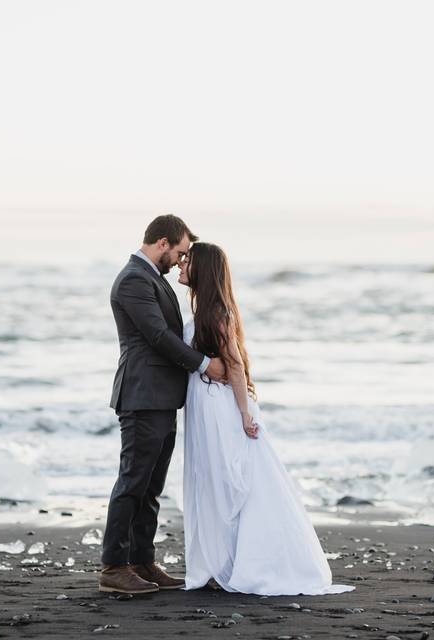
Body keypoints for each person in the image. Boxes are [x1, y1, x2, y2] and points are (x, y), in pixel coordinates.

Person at [177, 242, 353, 595]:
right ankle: (218, 561)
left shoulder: (217, 314)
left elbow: (236, 365)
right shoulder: (206, 312)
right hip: (203, 404)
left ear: (203, 270)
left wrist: (244, 414)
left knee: (226, 480)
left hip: (219, 408)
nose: (181, 264)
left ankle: (237, 561)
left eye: (187, 261)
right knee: (210, 481)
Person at [99, 215, 227, 594]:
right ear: (162, 242)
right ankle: (113, 566)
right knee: (133, 481)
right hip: (142, 395)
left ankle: (141, 560)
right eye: (181, 252)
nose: (181, 260)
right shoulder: (134, 280)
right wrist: (206, 364)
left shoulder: (152, 278)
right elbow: (157, 335)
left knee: (151, 485)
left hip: (161, 397)